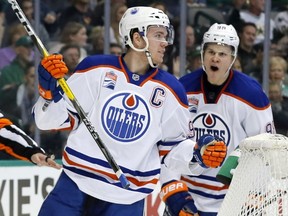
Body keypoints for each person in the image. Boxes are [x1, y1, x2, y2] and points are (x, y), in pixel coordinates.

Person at [32, 6, 227, 216]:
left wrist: (198, 152)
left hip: (126, 201)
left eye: (166, 36)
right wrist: (48, 94)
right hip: (74, 187)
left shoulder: (171, 90)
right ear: (137, 38)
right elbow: (47, 121)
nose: (166, 43)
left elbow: (172, 149)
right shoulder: (95, 69)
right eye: (158, 35)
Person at [176, 23, 275, 215]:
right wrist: (175, 195)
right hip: (188, 197)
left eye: (222, 54)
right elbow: (169, 145)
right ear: (202, 53)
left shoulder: (252, 94)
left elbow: (265, 149)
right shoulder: (182, 88)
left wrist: (257, 190)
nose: (215, 58)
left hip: (232, 200)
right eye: (211, 51)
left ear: (232, 58)